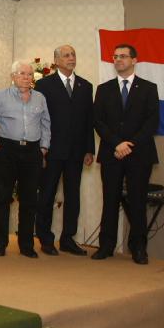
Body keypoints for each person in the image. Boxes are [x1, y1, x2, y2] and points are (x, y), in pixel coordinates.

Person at [92, 44, 159, 265]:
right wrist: (117, 143)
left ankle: (138, 248)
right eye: (115, 56)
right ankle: (106, 246)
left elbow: (152, 122)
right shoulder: (104, 89)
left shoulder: (148, 88)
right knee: (110, 200)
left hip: (139, 153)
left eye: (123, 56)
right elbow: (98, 121)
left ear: (134, 60)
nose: (118, 60)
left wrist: (130, 145)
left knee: (137, 201)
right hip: (111, 153)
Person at [0, 60, 51, 258]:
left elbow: (46, 125)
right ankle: (0, 243)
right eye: (21, 73)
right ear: (13, 76)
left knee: (29, 200)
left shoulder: (40, 98)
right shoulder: (0, 96)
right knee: (2, 198)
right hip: (6, 150)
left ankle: (26, 245)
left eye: (29, 74)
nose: (26, 77)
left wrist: (43, 148)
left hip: (32, 152)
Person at [34, 45, 94, 256]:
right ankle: (45, 238)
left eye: (73, 54)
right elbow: (38, 118)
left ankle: (68, 238)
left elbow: (89, 120)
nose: (71, 58)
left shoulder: (85, 86)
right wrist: (41, 147)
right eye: (66, 55)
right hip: (51, 149)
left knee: (73, 196)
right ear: (56, 60)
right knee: (47, 194)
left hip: (76, 151)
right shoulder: (44, 85)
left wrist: (89, 149)